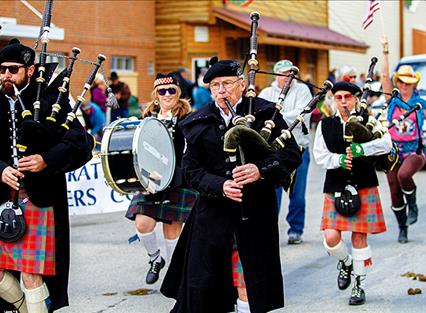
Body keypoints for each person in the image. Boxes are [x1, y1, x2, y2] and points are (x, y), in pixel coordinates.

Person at [160, 58, 301, 313]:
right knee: (205, 285)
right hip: (212, 215)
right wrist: (220, 185)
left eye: (226, 83)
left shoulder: (265, 113)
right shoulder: (197, 122)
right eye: (215, 85)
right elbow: (190, 170)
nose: (221, 90)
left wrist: (260, 170)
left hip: (255, 213)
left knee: (248, 280)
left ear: (241, 84)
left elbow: (291, 155)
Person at [0, 39, 93, 313]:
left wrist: (47, 160)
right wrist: (0, 170)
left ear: (30, 70)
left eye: (12, 69)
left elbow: (81, 144)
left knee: (31, 274)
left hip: (39, 196)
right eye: (1, 70)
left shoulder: (50, 100)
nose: (5, 75)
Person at [313, 81, 392, 305]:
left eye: (348, 96)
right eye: (339, 97)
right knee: (330, 237)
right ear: (334, 99)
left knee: (359, 236)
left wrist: (362, 149)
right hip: (336, 185)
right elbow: (320, 155)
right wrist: (339, 159)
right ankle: (346, 262)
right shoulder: (325, 124)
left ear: (356, 98)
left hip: (364, 183)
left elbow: (386, 143)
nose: (344, 101)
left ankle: (359, 283)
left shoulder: (370, 119)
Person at [125, 73, 197, 285]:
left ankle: (176, 274)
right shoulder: (146, 119)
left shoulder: (188, 118)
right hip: (151, 179)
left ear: (178, 92)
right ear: (156, 95)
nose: (167, 95)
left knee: (172, 228)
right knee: (143, 223)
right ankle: (156, 259)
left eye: (171, 90)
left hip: (179, 178)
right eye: (162, 91)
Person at [380, 37, 426, 243]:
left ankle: (413, 204)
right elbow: (384, 75)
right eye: (401, 81)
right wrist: (385, 52)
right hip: (392, 151)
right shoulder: (392, 100)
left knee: (403, 175)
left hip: (414, 151)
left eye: (408, 82)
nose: (404, 85)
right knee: (393, 190)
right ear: (398, 82)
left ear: (414, 84)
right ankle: (403, 227)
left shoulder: (420, 103)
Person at [259, 60, 312, 244]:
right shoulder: (267, 93)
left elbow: (303, 114)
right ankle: (269, 229)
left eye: (291, 73)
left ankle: (295, 230)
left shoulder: (303, 90)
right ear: (276, 76)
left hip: (299, 149)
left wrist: (275, 118)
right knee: (273, 193)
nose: (288, 77)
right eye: (283, 74)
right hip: (274, 151)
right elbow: (261, 117)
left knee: (297, 193)